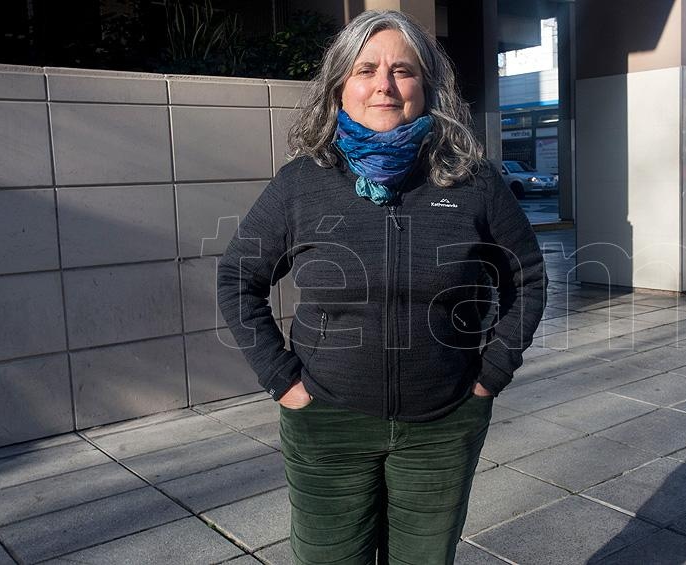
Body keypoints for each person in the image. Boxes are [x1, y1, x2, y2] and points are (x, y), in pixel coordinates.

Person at [217, 10, 545, 564]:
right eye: (366, 69)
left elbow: (527, 276)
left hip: (443, 424)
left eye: (403, 69)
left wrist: (490, 376)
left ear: (427, 84)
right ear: (341, 84)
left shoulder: (471, 180)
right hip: (326, 422)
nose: (384, 85)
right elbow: (237, 279)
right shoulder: (303, 182)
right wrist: (284, 382)